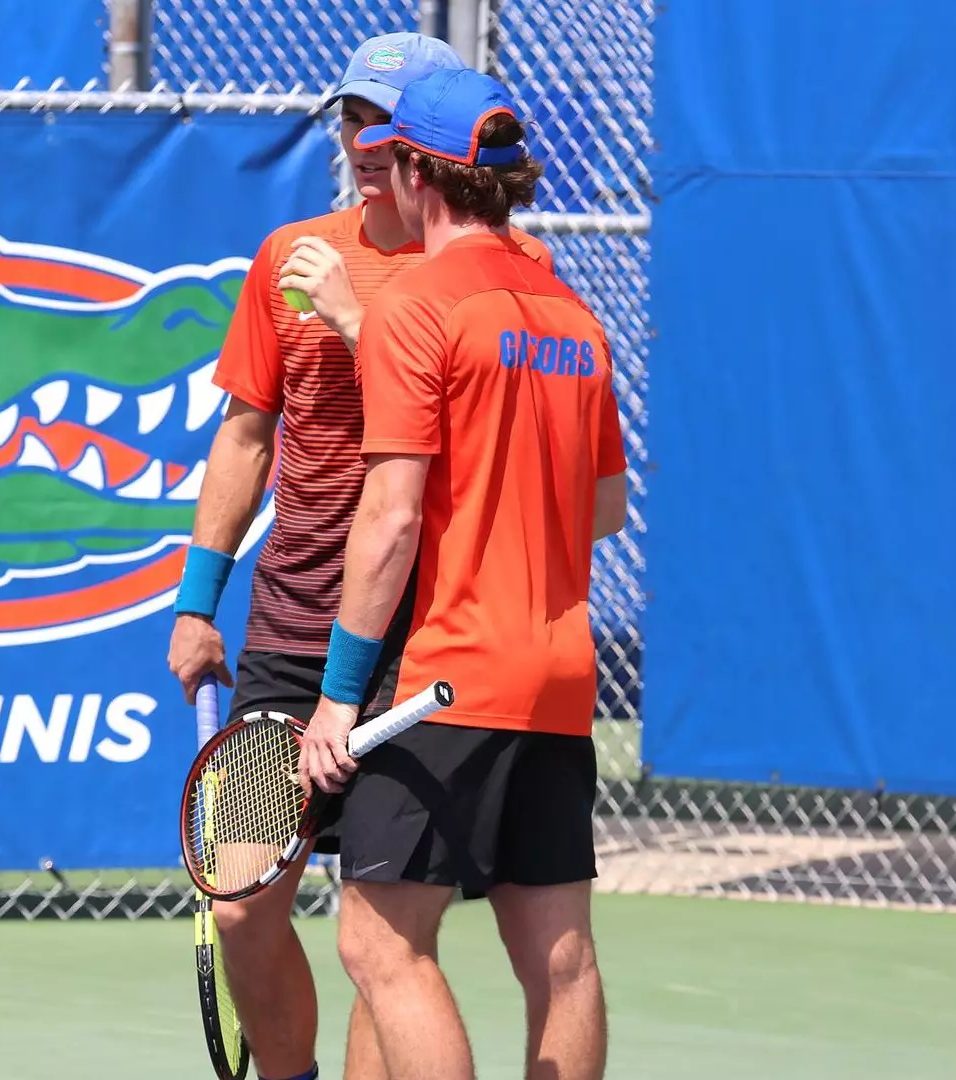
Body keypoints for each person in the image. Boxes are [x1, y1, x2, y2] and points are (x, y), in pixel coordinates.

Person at [166, 33, 555, 1080]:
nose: (361, 142)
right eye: (348, 120)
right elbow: (244, 436)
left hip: (418, 642)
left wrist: (353, 320)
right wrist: (199, 602)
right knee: (243, 900)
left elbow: (478, 431)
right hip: (289, 635)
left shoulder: (499, 269)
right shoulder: (286, 254)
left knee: (384, 935)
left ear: (424, 145)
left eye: (381, 123)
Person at [298, 69, 628, 1080]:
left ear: (411, 173)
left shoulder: (413, 308)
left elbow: (390, 521)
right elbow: (605, 509)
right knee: (559, 958)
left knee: (378, 944)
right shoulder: (569, 313)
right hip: (561, 678)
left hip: (446, 679)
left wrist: (335, 700)